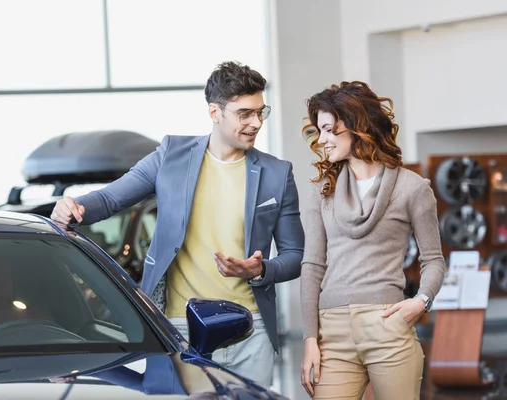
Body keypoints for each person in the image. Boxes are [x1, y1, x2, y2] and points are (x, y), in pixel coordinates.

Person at [50, 61, 305, 387]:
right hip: (179, 325)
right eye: (244, 113)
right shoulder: (171, 155)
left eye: (260, 112)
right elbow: (112, 199)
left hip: (249, 329)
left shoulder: (277, 173)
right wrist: (73, 207)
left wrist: (259, 270)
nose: (256, 123)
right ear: (215, 112)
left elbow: (295, 255)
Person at [299, 81, 446, 399]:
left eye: (328, 129)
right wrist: (310, 338)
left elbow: (433, 259)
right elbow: (312, 265)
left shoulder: (413, 188)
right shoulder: (322, 189)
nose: (321, 139)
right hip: (331, 332)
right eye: (319, 130)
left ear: (355, 125)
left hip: (388, 325)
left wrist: (420, 302)